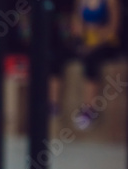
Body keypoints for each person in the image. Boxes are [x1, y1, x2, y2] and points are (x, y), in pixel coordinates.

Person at [49, 0, 122, 129]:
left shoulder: (111, 2)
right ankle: (53, 104)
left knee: (91, 59)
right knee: (57, 56)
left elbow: (113, 28)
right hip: (86, 40)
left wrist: (94, 42)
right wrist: (81, 40)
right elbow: (76, 23)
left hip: (106, 42)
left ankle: (89, 109)